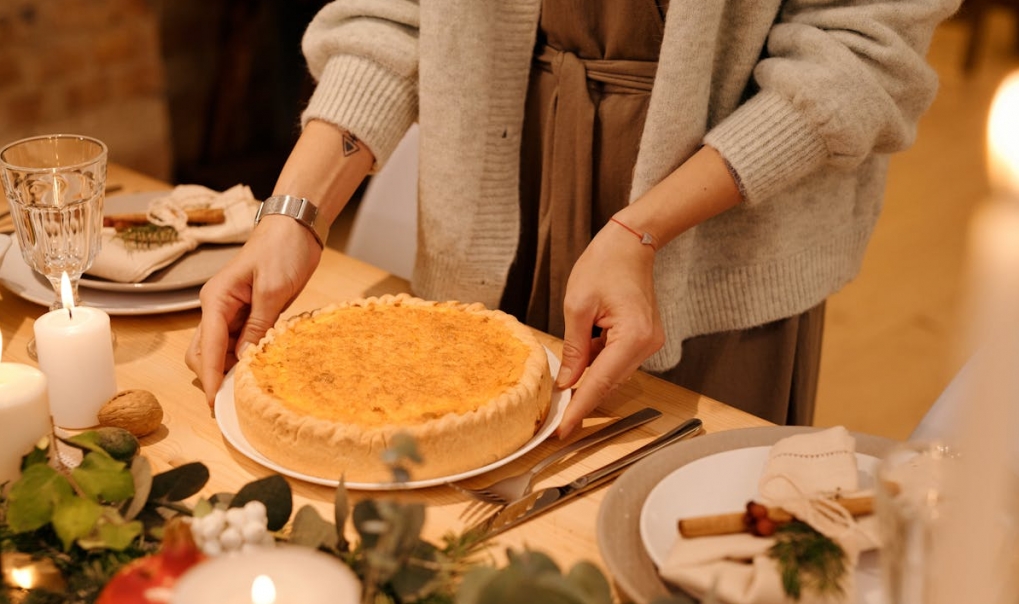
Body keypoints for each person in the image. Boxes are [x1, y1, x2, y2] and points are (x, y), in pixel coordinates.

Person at [185, 0, 960, 438]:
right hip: (503, 177)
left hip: (722, 228)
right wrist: (293, 215)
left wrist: (642, 230)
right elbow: (393, 16)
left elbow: (859, 56)